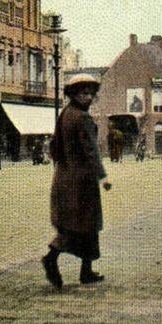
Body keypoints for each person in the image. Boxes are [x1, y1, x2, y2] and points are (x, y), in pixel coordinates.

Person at [42, 74, 112, 290]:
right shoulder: (82, 118)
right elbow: (91, 150)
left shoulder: (65, 114)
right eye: (83, 93)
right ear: (74, 94)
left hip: (64, 177)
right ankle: (52, 258)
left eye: (91, 93)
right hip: (82, 181)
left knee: (79, 225)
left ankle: (86, 271)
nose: (88, 97)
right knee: (82, 225)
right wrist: (103, 176)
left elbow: (54, 146)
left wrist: (63, 165)